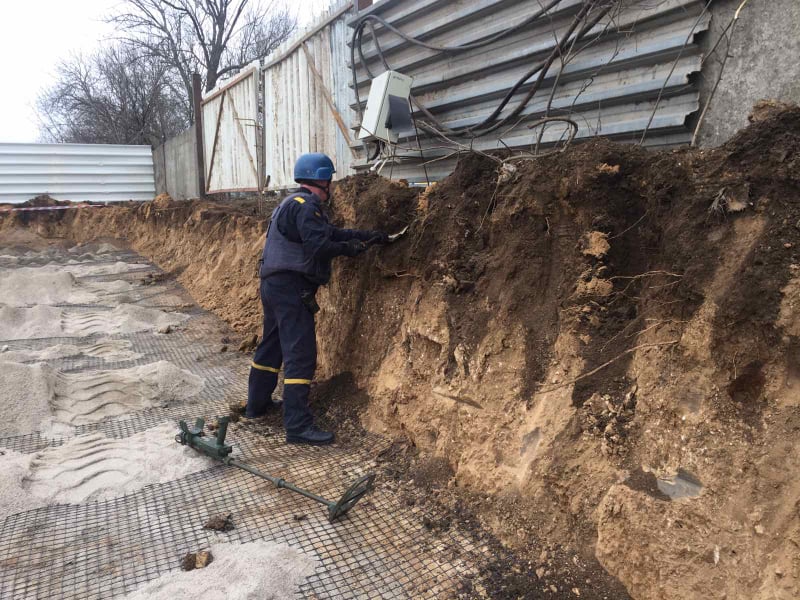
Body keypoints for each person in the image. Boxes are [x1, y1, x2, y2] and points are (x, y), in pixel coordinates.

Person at [245, 153, 388, 445]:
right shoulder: (308, 206)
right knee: (301, 354)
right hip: (291, 287)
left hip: (273, 285)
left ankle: (256, 406)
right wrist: (353, 248)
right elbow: (320, 244)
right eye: (329, 179)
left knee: (271, 347)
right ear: (321, 179)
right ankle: (297, 426)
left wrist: (366, 236)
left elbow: (329, 232)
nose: (331, 186)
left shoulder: (290, 204)